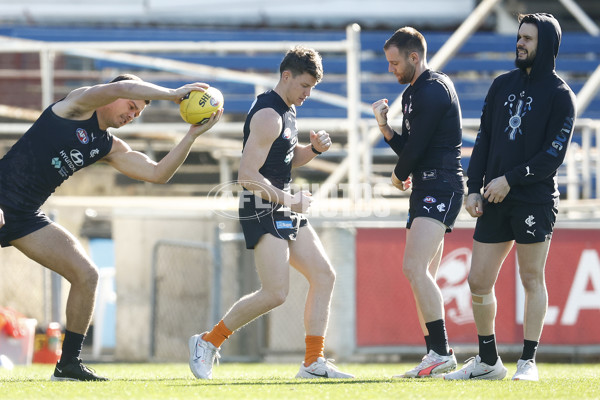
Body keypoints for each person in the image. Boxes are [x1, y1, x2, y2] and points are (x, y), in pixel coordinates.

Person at [0, 74, 222, 381]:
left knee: (87, 275)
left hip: (25, 216)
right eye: (131, 106)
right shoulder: (76, 105)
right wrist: (173, 94)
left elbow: (158, 173)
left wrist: (192, 136)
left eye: (137, 114)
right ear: (111, 96)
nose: (132, 115)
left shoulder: (108, 146)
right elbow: (121, 86)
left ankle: (68, 366)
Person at [188, 46, 354, 380]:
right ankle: (207, 342)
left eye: (312, 88)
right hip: (262, 205)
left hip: (279, 202)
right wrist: (289, 200)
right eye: (305, 85)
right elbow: (247, 176)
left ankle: (312, 362)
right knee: (275, 292)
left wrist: (313, 151)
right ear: (287, 75)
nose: (308, 94)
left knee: (324, 275)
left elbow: (282, 162)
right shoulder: (269, 115)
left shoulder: (288, 110)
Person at [444, 13, 576, 382]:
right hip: (493, 196)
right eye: (519, 37)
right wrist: (473, 187)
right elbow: (484, 138)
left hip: (533, 199)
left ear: (546, 44)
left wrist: (510, 180)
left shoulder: (562, 95)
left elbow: (553, 156)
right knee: (478, 280)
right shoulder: (501, 85)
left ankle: (528, 362)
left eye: (528, 39)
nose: (520, 43)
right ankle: (489, 362)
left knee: (532, 278)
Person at [371, 27, 464, 378]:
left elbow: (419, 148)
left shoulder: (434, 89)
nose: (391, 69)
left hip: (440, 185)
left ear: (414, 57)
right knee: (422, 275)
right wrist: (385, 128)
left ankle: (441, 353)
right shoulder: (413, 93)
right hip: (426, 186)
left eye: (395, 62)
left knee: (414, 269)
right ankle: (435, 354)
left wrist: (397, 175)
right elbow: (409, 145)